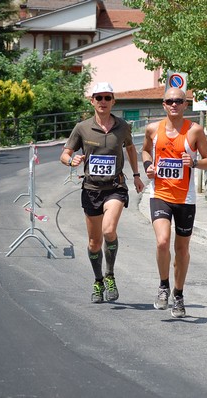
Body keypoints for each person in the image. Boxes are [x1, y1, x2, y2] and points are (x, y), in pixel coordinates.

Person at [61, 82, 144, 303]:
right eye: (99, 98)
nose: (103, 102)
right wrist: (71, 160)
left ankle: (110, 275)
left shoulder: (123, 126)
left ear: (113, 101)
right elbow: (65, 153)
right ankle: (98, 280)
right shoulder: (82, 128)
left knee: (109, 231)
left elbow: (130, 148)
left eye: (108, 98)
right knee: (94, 243)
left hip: (115, 188)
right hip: (91, 190)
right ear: (92, 101)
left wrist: (136, 175)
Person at [141, 87, 207, 318]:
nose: (174, 104)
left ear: (185, 105)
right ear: (163, 104)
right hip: (160, 194)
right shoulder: (153, 129)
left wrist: (192, 162)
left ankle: (178, 294)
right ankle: (163, 286)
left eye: (178, 101)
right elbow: (145, 152)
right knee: (163, 242)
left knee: (181, 249)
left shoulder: (195, 131)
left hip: (185, 199)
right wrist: (147, 167)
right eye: (169, 101)